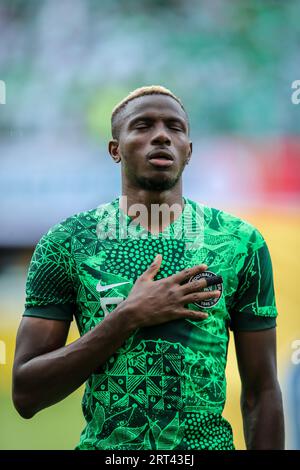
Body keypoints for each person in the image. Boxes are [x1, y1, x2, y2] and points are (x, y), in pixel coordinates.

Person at [12, 85, 284, 450]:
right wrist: (128, 317)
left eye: (175, 127)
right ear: (114, 149)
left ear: (189, 150)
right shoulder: (68, 243)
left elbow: (262, 391)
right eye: (143, 126)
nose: (161, 135)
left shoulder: (240, 243)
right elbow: (26, 394)